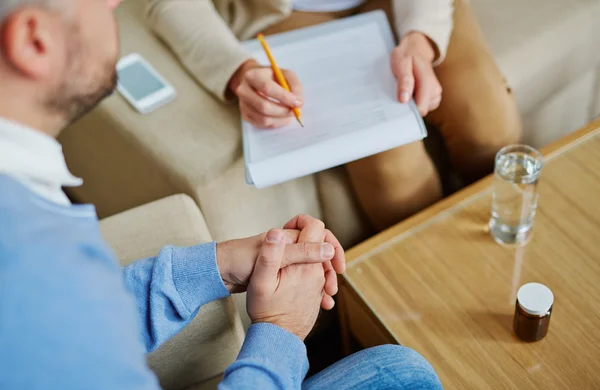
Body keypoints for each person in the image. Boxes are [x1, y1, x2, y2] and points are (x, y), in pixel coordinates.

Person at [0, 0, 447, 390]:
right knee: (407, 378)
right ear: (33, 39)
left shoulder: (26, 206)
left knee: (400, 368)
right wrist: (281, 333)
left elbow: (86, 321)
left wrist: (217, 265)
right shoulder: (37, 271)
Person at [146, 0, 522, 230]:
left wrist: (421, 40)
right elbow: (169, 4)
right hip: (287, 13)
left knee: (491, 127)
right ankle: (435, 273)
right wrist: (238, 71)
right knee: (392, 164)